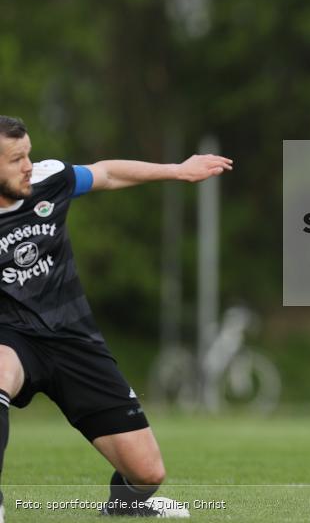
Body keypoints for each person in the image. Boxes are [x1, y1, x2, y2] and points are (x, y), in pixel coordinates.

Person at [0, 115, 232, 519]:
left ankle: (125, 503)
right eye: (16, 159)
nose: (28, 165)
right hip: (13, 339)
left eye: (29, 154)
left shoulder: (49, 179)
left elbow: (106, 172)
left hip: (73, 340)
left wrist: (178, 170)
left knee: (147, 474)